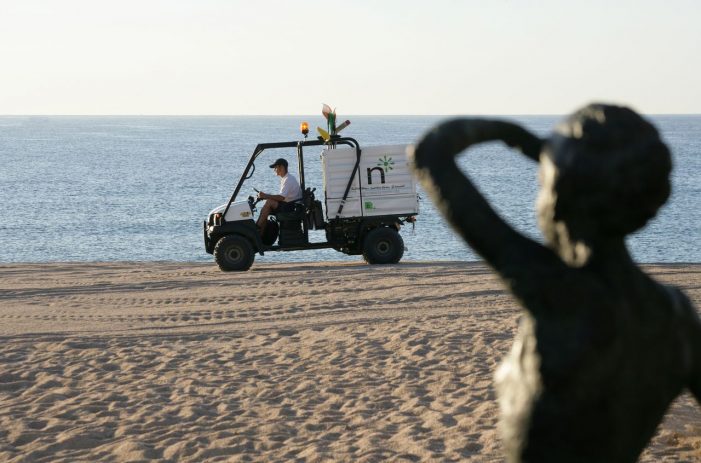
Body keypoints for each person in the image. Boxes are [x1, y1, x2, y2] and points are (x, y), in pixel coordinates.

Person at [256, 158, 302, 235]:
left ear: (282, 167)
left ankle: (257, 227)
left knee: (269, 202)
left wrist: (265, 196)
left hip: (290, 207)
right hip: (288, 205)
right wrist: (265, 196)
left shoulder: (288, 179)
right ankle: (259, 235)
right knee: (266, 211)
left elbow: (281, 197)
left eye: (275, 168)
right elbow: (282, 196)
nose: (274, 170)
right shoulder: (285, 178)